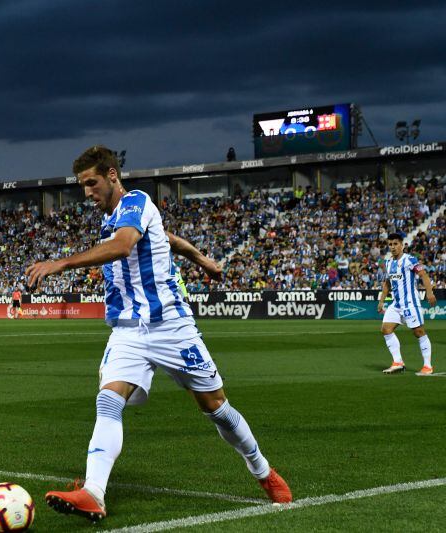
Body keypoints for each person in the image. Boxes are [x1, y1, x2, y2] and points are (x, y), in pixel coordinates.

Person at [25, 145, 291, 522]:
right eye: (82, 185)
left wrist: (61, 263)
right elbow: (167, 238)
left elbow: (123, 246)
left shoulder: (136, 200)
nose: (86, 192)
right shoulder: (114, 218)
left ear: (112, 175)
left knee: (215, 407)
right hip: (127, 331)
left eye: (91, 183)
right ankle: (94, 492)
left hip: (170, 326)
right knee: (108, 400)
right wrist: (199, 257)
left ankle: (262, 471)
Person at [379, 233, 436, 376]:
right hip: (396, 304)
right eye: (390, 244)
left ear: (402, 245)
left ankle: (427, 366)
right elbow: (387, 283)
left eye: (395, 244)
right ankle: (398, 362)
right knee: (386, 329)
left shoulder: (410, 260)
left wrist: (429, 293)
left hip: (410, 303)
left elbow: (423, 275)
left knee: (419, 332)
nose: (392, 247)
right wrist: (381, 300)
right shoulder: (388, 262)